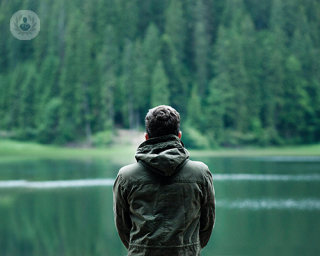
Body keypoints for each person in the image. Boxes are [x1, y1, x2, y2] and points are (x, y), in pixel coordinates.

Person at [113, 105, 215, 256]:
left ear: (146, 137)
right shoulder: (201, 173)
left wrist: (142, 249)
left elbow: (123, 226)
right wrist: (190, 249)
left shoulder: (126, 176)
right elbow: (207, 223)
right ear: (179, 136)